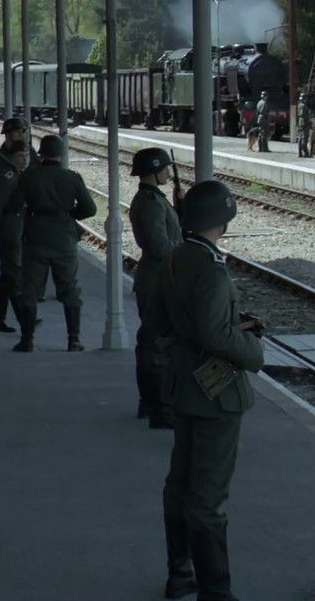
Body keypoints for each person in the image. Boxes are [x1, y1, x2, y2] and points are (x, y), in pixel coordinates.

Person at [148, 180, 264, 601]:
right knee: (209, 495)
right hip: (217, 393)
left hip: (184, 385)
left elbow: (157, 322)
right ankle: (216, 591)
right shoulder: (211, 270)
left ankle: (180, 575)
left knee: (180, 484)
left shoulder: (176, 259)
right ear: (223, 220)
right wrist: (252, 349)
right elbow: (216, 335)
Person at [10, 135, 97, 352]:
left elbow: (15, 204)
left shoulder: (29, 177)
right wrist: (69, 214)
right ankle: (74, 339)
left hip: (36, 237)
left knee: (30, 290)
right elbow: (90, 209)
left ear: (41, 154)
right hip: (64, 238)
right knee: (70, 289)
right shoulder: (72, 177)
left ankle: (27, 340)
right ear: (61, 154)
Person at [128, 147, 184, 429]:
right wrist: (186, 249)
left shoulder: (154, 199)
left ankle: (150, 403)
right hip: (156, 282)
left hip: (156, 281)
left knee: (151, 343)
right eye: (164, 168)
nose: (167, 173)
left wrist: (179, 207)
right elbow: (159, 246)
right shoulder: (150, 202)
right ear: (154, 170)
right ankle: (160, 409)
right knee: (159, 347)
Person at [0, 139, 31, 332]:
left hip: (14, 229)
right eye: (20, 156)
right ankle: (24, 319)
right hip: (8, 231)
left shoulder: (18, 175)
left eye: (26, 155)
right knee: (13, 274)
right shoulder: (9, 178)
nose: (24, 159)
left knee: (8, 276)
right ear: (11, 158)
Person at [296, 92, 312, 158]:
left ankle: (300, 152)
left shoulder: (299, 105)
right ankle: (305, 152)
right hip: (304, 122)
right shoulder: (303, 106)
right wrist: (309, 121)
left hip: (300, 122)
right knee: (305, 138)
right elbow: (303, 114)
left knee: (300, 138)